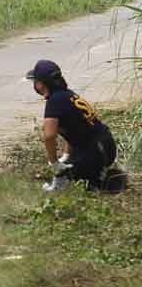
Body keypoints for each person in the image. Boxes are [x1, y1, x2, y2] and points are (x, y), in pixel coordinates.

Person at [26, 60, 121, 192]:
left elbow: (49, 136)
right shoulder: (68, 95)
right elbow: (72, 129)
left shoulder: (54, 101)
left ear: (41, 84)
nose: (34, 85)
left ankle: (104, 180)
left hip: (95, 152)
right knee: (68, 167)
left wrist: (54, 163)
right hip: (107, 146)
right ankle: (99, 171)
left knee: (65, 181)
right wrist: (66, 155)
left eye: (35, 81)